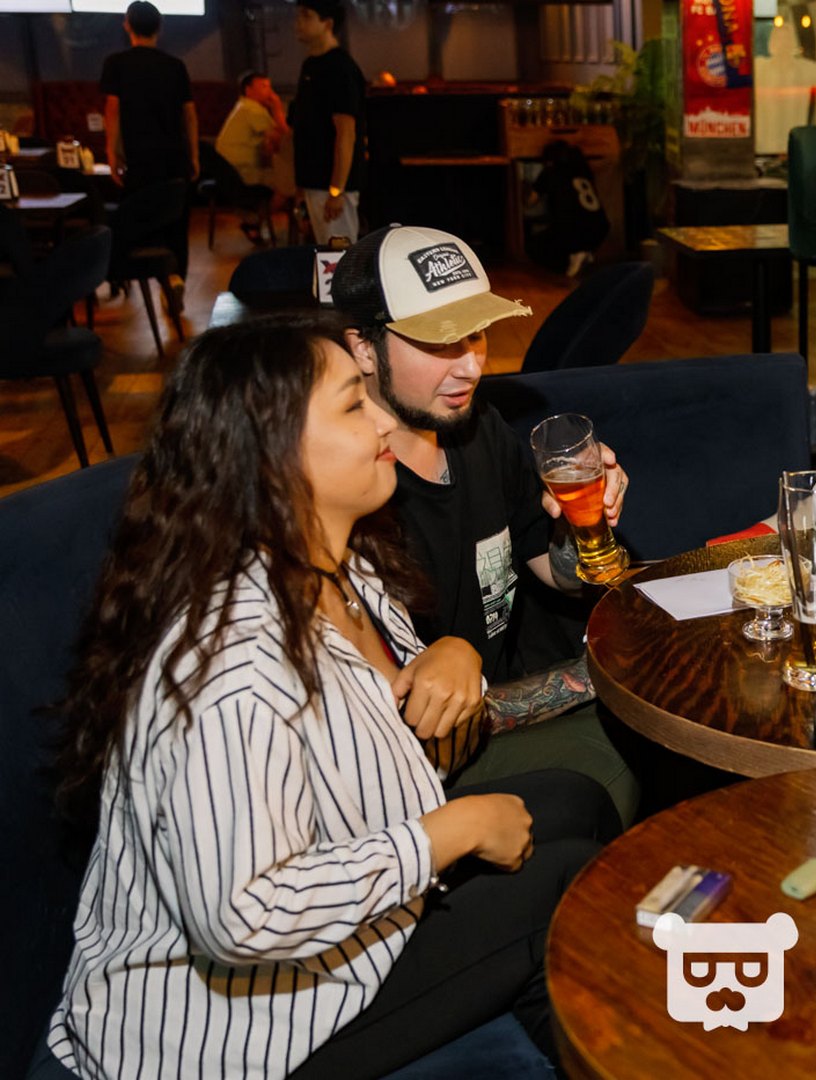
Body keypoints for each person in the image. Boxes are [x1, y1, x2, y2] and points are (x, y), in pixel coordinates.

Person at [35, 319, 619, 1080]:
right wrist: (442, 835)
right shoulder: (231, 665)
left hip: (336, 928)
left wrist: (456, 652)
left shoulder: (345, 568)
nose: (382, 421)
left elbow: (402, 735)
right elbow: (242, 916)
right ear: (271, 455)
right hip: (228, 1030)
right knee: (564, 886)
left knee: (573, 802)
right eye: (352, 405)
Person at [331, 224, 638, 823]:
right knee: (623, 758)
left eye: (475, 335)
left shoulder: (475, 428)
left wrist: (585, 522)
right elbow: (415, 725)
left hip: (497, 713)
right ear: (363, 349)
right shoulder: (349, 492)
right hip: (414, 769)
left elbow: (554, 572)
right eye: (440, 343)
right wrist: (601, 676)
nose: (470, 366)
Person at [99, 0, 197, 278]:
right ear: (160, 27)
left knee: (135, 223)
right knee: (176, 224)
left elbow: (113, 111)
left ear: (127, 25)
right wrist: (194, 156)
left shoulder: (116, 63)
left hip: (139, 159)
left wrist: (112, 152)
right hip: (174, 158)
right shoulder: (175, 66)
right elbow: (189, 115)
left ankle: (136, 276)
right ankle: (176, 279)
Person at [289, 0, 365, 245]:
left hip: (332, 184)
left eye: (306, 16)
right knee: (324, 253)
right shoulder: (310, 64)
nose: (298, 23)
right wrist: (301, 186)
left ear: (328, 24)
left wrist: (336, 190)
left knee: (340, 255)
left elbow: (346, 134)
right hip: (314, 181)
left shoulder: (340, 67)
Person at [215, 70, 289, 245]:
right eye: (263, 87)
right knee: (286, 185)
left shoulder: (243, 106)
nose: (270, 92)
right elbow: (283, 137)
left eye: (269, 86)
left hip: (229, 170)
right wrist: (277, 108)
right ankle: (254, 221)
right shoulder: (252, 109)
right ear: (248, 90)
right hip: (240, 172)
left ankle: (257, 221)